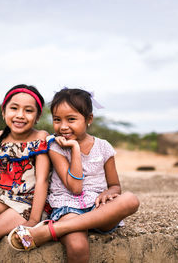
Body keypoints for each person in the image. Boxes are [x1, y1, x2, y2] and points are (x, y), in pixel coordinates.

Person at [8, 88, 140, 263]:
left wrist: (110, 192)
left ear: (89, 119)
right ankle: (60, 227)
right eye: (57, 120)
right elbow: (75, 188)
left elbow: (115, 185)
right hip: (68, 207)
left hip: (98, 209)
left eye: (71, 119)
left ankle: (49, 231)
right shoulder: (55, 148)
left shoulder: (104, 147)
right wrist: (75, 149)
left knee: (131, 200)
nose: (63, 126)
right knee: (78, 247)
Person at [0, 84, 53, 263]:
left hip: (28, 204)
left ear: (37, 117)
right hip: (3, 199)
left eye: (28, 110)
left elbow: (43, 179)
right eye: (14, 108)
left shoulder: (40, 137)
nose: (20, 115)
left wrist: (34, 219)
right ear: (3, 111)